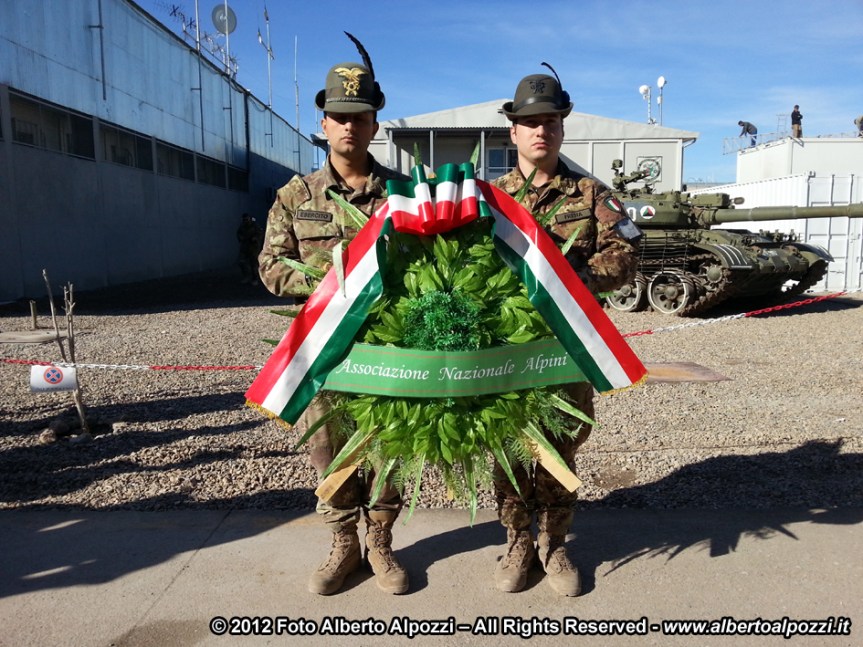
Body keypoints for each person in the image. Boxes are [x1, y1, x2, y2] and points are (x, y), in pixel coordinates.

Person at [258, 34, 410, 596]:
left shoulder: (404, 195)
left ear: (374, 124)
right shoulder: (294, 197)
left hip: (393, 349)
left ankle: (382, 544)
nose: (350, 126)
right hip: (325, 349)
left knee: (390, 446)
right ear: (323, 122)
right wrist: (327, 285)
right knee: (330, 449)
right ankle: (344, 544)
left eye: (361, 116)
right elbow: (271, 266)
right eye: (339, 116)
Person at [491, 66, 641, 597]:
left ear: (562, 128)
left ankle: (554, 544)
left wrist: (571, 280)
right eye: (530, 122)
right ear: (512, 131)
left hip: (564, 349)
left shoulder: (591, 193)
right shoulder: (488, 199)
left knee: (559, 447)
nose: (540, 131)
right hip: (503, 353)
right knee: (508, 447)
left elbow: (625, 254)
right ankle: (516, 542)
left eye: (550, 121)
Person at [236, 213, 263, 284]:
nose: (246, 221)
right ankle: (247, 276)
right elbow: (239, 233)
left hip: (253, 248)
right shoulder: (242, 226)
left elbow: (260, 234)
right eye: (244, 220)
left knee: (253, 263)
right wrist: (240, 238)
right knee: (241, 262)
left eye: (247, 219)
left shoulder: (255, 226)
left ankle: (255, 279)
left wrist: (255, 238)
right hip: (245, 247)